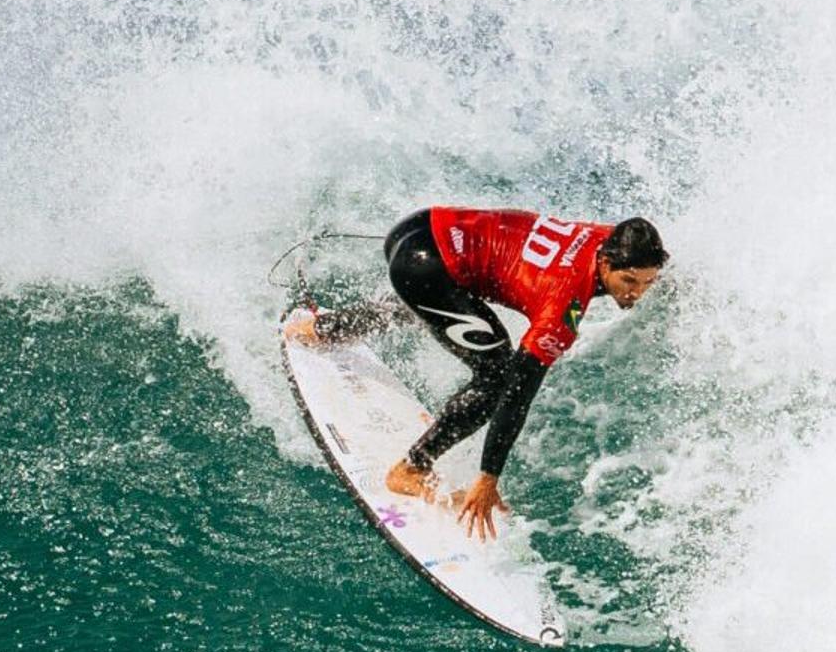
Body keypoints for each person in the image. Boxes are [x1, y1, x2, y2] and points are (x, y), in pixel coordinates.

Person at [286, 208, 667, 539]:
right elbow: (517, 394)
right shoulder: (561, 311)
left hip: (420, 228)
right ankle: (410, 470)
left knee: (439, 306)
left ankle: (325, 330)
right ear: (605, 264)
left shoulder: (610, 238)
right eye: (629, 282)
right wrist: (487, 479)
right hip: (422, 266)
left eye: (647, 282)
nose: (636, 293)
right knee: (497, 377)